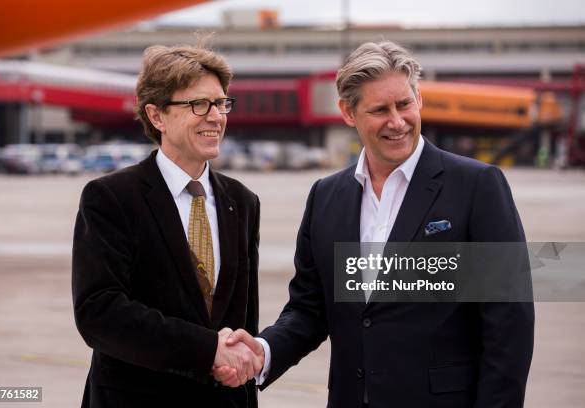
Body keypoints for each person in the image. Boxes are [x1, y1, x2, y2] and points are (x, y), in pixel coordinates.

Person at [215, 41, 534, 407]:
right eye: (380, 109)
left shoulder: (477, 186)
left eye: (405, 104)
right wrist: (264, 351)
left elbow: (509, 323)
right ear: (348, 113)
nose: (397, 121)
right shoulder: (326, 196)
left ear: (419, 100)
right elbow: (309, 309)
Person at [72, 44, 262, 407]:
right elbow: (99, 312)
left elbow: (242, 321)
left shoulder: (242, 201)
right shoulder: (110, 198)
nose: (216, 116)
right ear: (156, 116)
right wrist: (207, 350)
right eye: (198, 104)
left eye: (221, 103)